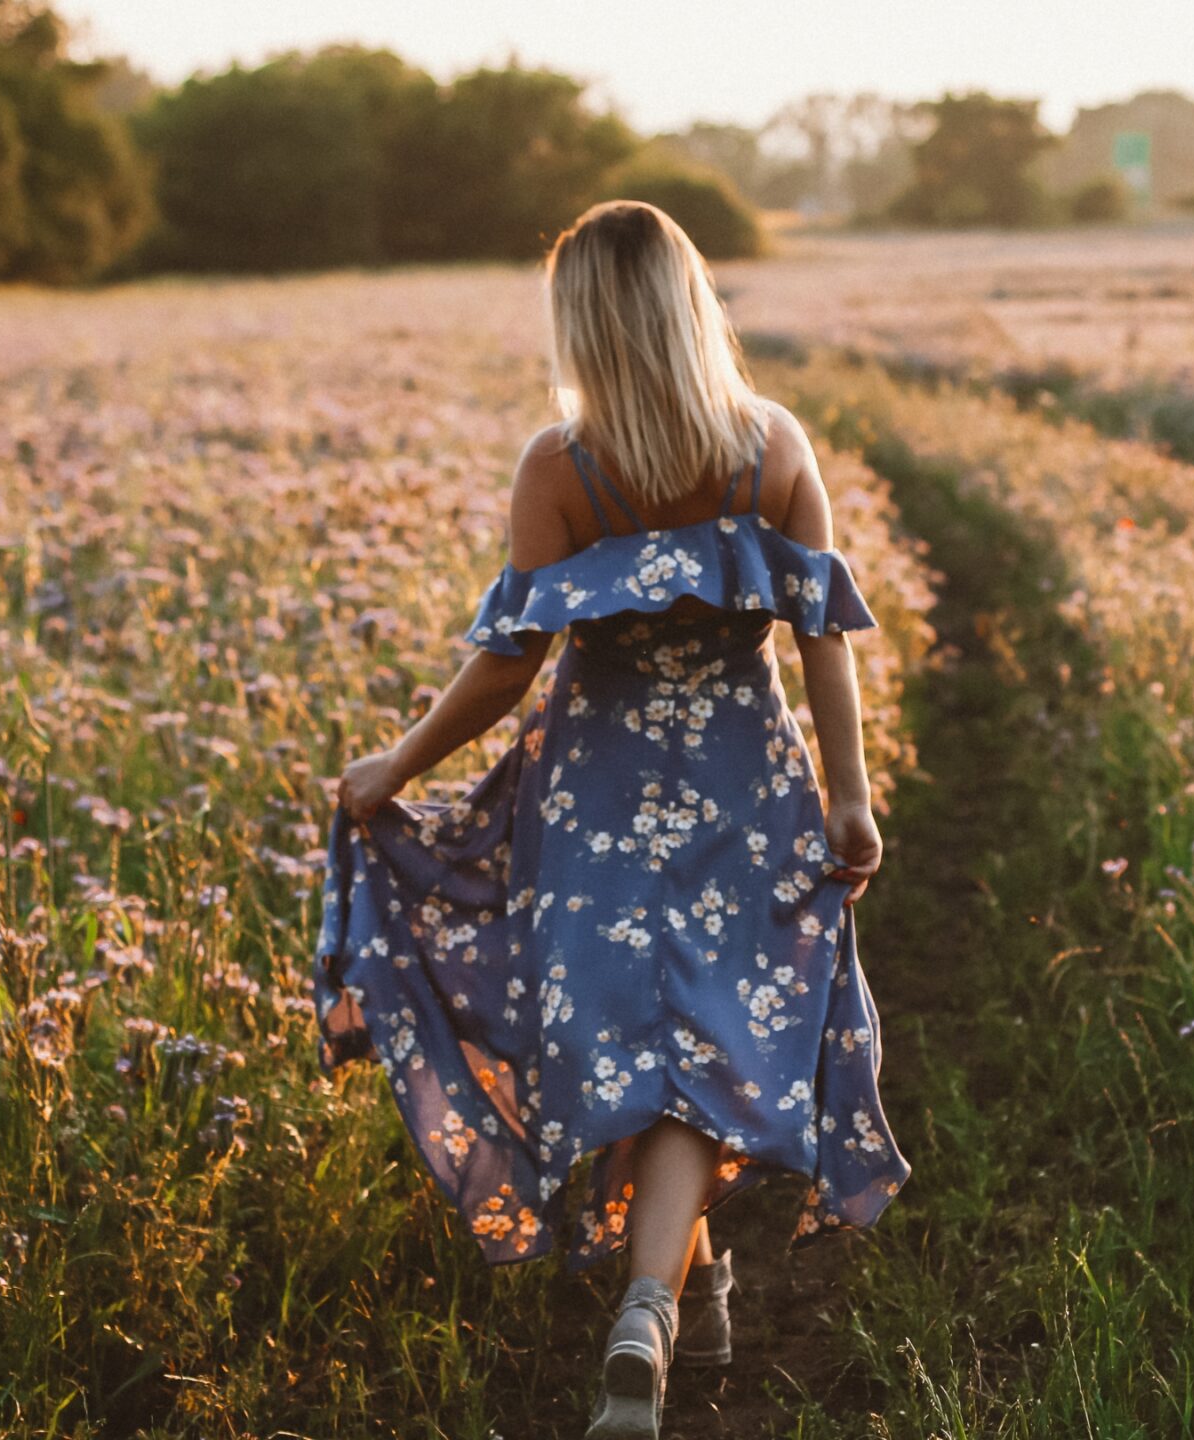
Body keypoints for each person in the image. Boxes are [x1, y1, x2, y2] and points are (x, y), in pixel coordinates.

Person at [314, 199, 909, 1438]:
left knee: (638, 1045)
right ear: (693, 303)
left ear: (580, 321)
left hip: (595, 796)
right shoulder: (771, 446)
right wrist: (847, 795)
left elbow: (507, 666)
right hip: (745, 785)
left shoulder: (562, 468)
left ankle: (650, 1309)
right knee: (704, 1042)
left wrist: (396, 763)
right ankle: (691, 1289)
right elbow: (823, 641)